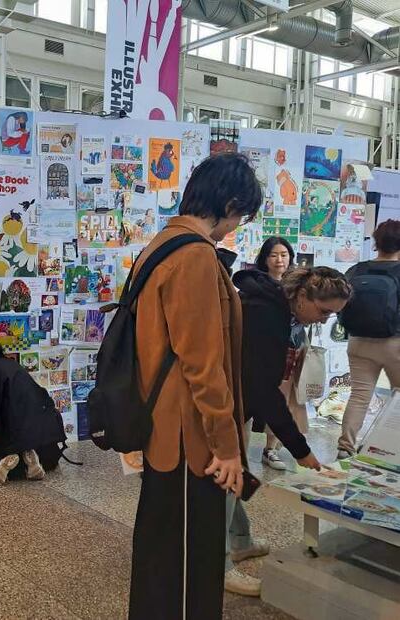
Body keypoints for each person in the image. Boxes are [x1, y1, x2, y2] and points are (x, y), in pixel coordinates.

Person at [128, 153, 261, 620]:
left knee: (161, 558)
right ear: (228, 202)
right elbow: (204, 365)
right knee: (188, 569)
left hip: (163, 428)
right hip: (190, 439)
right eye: (239, 215)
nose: (235, 227)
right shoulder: (195, 257)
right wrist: (226, 447)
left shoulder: (162, 244)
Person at [227, 265, 350, 595]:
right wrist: (301, 450)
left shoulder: (275, 307)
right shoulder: (267, 316)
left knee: (235, 471)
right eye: (323, 311)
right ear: (302, 295)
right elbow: (263, 390)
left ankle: (239, 541)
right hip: (220, 402)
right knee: (224, 480)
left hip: (234, 401)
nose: (324, 320)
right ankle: (218, 562)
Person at [0, 334, 66, 485]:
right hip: (45, 426)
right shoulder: (12, 364)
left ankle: (13, 456)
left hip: (18, 426)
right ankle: (30, 457)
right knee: (41, 456)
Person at [337, 219, 400, 459]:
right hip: (395, 343)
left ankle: (345, 447)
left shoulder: (356, 270)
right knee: (398, 398)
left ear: (376, 242)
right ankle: (388, 451)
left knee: (360, 396)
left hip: (358, 342)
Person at [251, 236, 305, 471]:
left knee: (282, 399)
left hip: (291, 348)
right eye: (274, 255)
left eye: (284, 254)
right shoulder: (256, 283)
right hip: (262, 351)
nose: (279, 259)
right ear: (265, 259)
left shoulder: (298, 284)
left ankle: (270, 448)